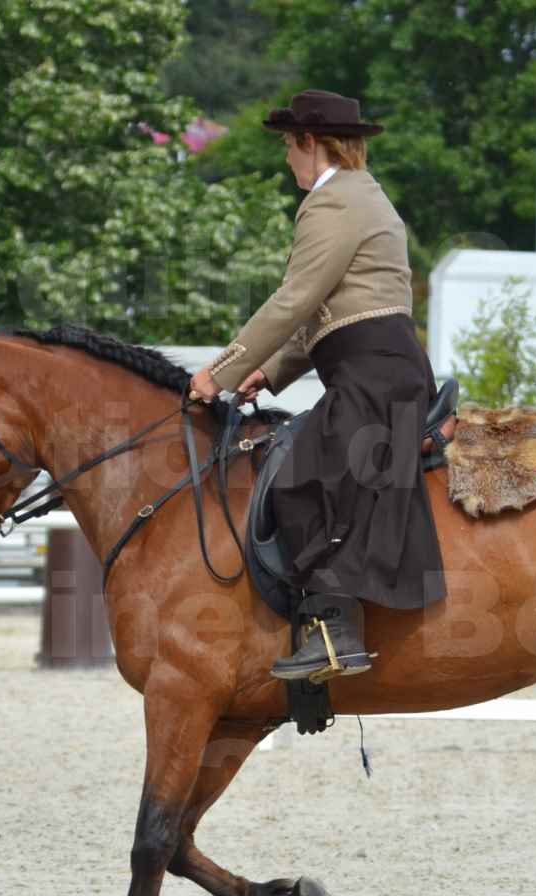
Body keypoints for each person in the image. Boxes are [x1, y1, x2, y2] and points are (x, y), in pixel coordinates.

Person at [187, 89, 447, 680]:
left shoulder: (334, 203)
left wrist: (218, 372)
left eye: (286, 145)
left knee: (305, 474)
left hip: (375, 371)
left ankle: (335, 630)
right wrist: (269, 371)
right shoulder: (359, 196)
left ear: (310, 142)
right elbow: (323, 317)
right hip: (374, 362)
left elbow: (294, 301)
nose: (285, 160)